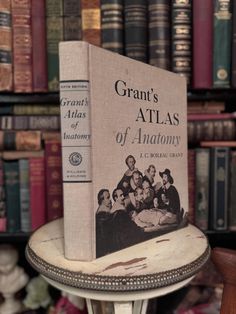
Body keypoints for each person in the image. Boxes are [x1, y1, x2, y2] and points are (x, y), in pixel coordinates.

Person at [110, 188, 145, 252]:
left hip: (121, 242)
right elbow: (131, 228)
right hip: (124, 244)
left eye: (123, 195)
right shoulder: (119, 212)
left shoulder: (117, 209)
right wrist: (141, 229)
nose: (123, 197)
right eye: (120, 196)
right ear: (115, 198)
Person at [96, 189, 113, 257]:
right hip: (106, 252)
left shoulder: (103, 212)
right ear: (102, 200)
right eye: (108, 198)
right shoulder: (103, 214)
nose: (110, 200)